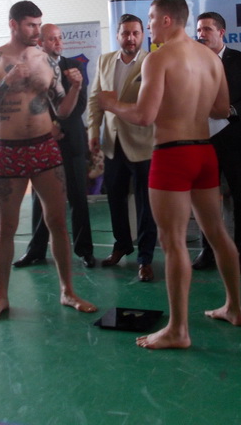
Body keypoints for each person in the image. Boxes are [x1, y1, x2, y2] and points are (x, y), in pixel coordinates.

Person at [98, 0, 241, 350]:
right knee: (217, 232)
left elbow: (144, 116)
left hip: (172, 155)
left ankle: (178, 330)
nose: (148, 26)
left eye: (151, 18)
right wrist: (190, 98)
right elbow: (222, 108)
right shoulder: (211, 58)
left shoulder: (159, 58)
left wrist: (112, 104)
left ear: (166, 20)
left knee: (173, 242)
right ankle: (234, 308)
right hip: (204, 151)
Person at [0, 0, 96, 322]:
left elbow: (64, 111)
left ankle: (67, 291)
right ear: (13, 24)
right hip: (10, 150)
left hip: (44, 147)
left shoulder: (45, 60)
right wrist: (7, 82)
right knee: (6, 228)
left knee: (58, 222)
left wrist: (76, 87)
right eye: (31, 25)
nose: (36, 31)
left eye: (39, 24)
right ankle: (1, 297)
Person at [14, 23, 96, 269]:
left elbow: (80, 104)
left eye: (60, 38)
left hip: (71, 142)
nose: (58, 42)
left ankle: (85, 251)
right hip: (42, 142)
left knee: (78, 198)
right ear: (40, 42)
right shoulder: (30, 70)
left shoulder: (74, 66)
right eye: (52, 39)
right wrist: (47, 126)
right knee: (39, 200)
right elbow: (28, 104)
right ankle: (36, 250)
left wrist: (59, 124)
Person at [88, 14, 158, 282]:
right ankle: (121, 245)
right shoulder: (104, 61)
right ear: (117, 35)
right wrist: (93, 131)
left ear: (143, 35)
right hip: (112, 144)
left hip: (143, 143)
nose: (130, 38)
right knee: (115, 199)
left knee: (145, 204)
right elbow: (95, 99)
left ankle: (145, 258)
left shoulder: (151, 62)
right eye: (125, 33)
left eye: (135, 33)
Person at [192, 11, 241, 274]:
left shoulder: (240, 59)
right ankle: (208, 250)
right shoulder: (193, 61)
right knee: (206, 198)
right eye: (199, 30)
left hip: (234, 139)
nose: (201, 34)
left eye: (207, 29)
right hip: (203, 139)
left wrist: (232, 110)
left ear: (221, 32)